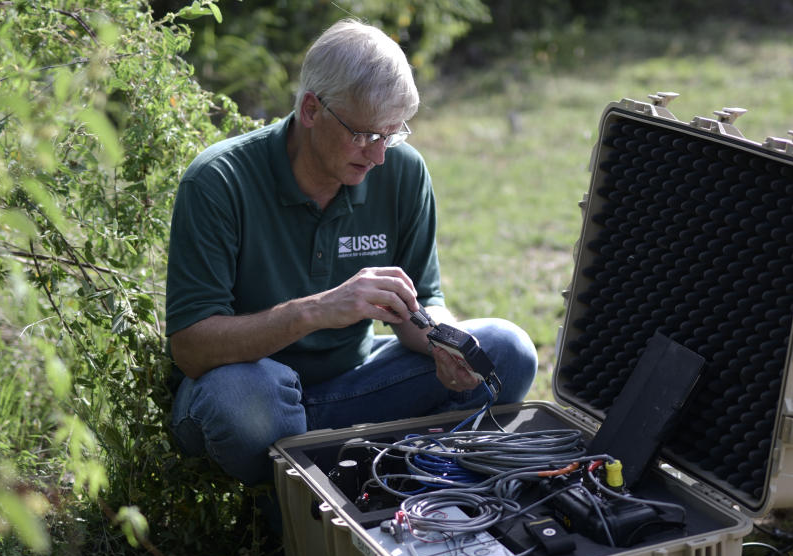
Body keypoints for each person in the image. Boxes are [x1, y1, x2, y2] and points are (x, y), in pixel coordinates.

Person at [165, 19, 538, 499]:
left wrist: (446, 343)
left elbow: (422, 300)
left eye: (391, 134)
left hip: (355, 387)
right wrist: (317, 309)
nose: (379, 156)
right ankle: (292, 505)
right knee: (243, 400)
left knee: (506, 350)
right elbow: (191, 348)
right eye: (365, 135)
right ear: (311, 109)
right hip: (250, 397)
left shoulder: (403, 172)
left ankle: (392, 480)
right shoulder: (219, 181)